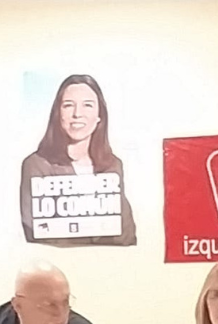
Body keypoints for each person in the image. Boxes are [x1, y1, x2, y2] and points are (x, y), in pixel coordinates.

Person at [19, 74, 136, 246]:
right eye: (68, 105)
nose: (77, 114)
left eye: (87, 105)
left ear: (99, 117)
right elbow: (39, 235)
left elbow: (126, 235)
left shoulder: (112, 165)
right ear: (58, 114)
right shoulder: (36, 165)